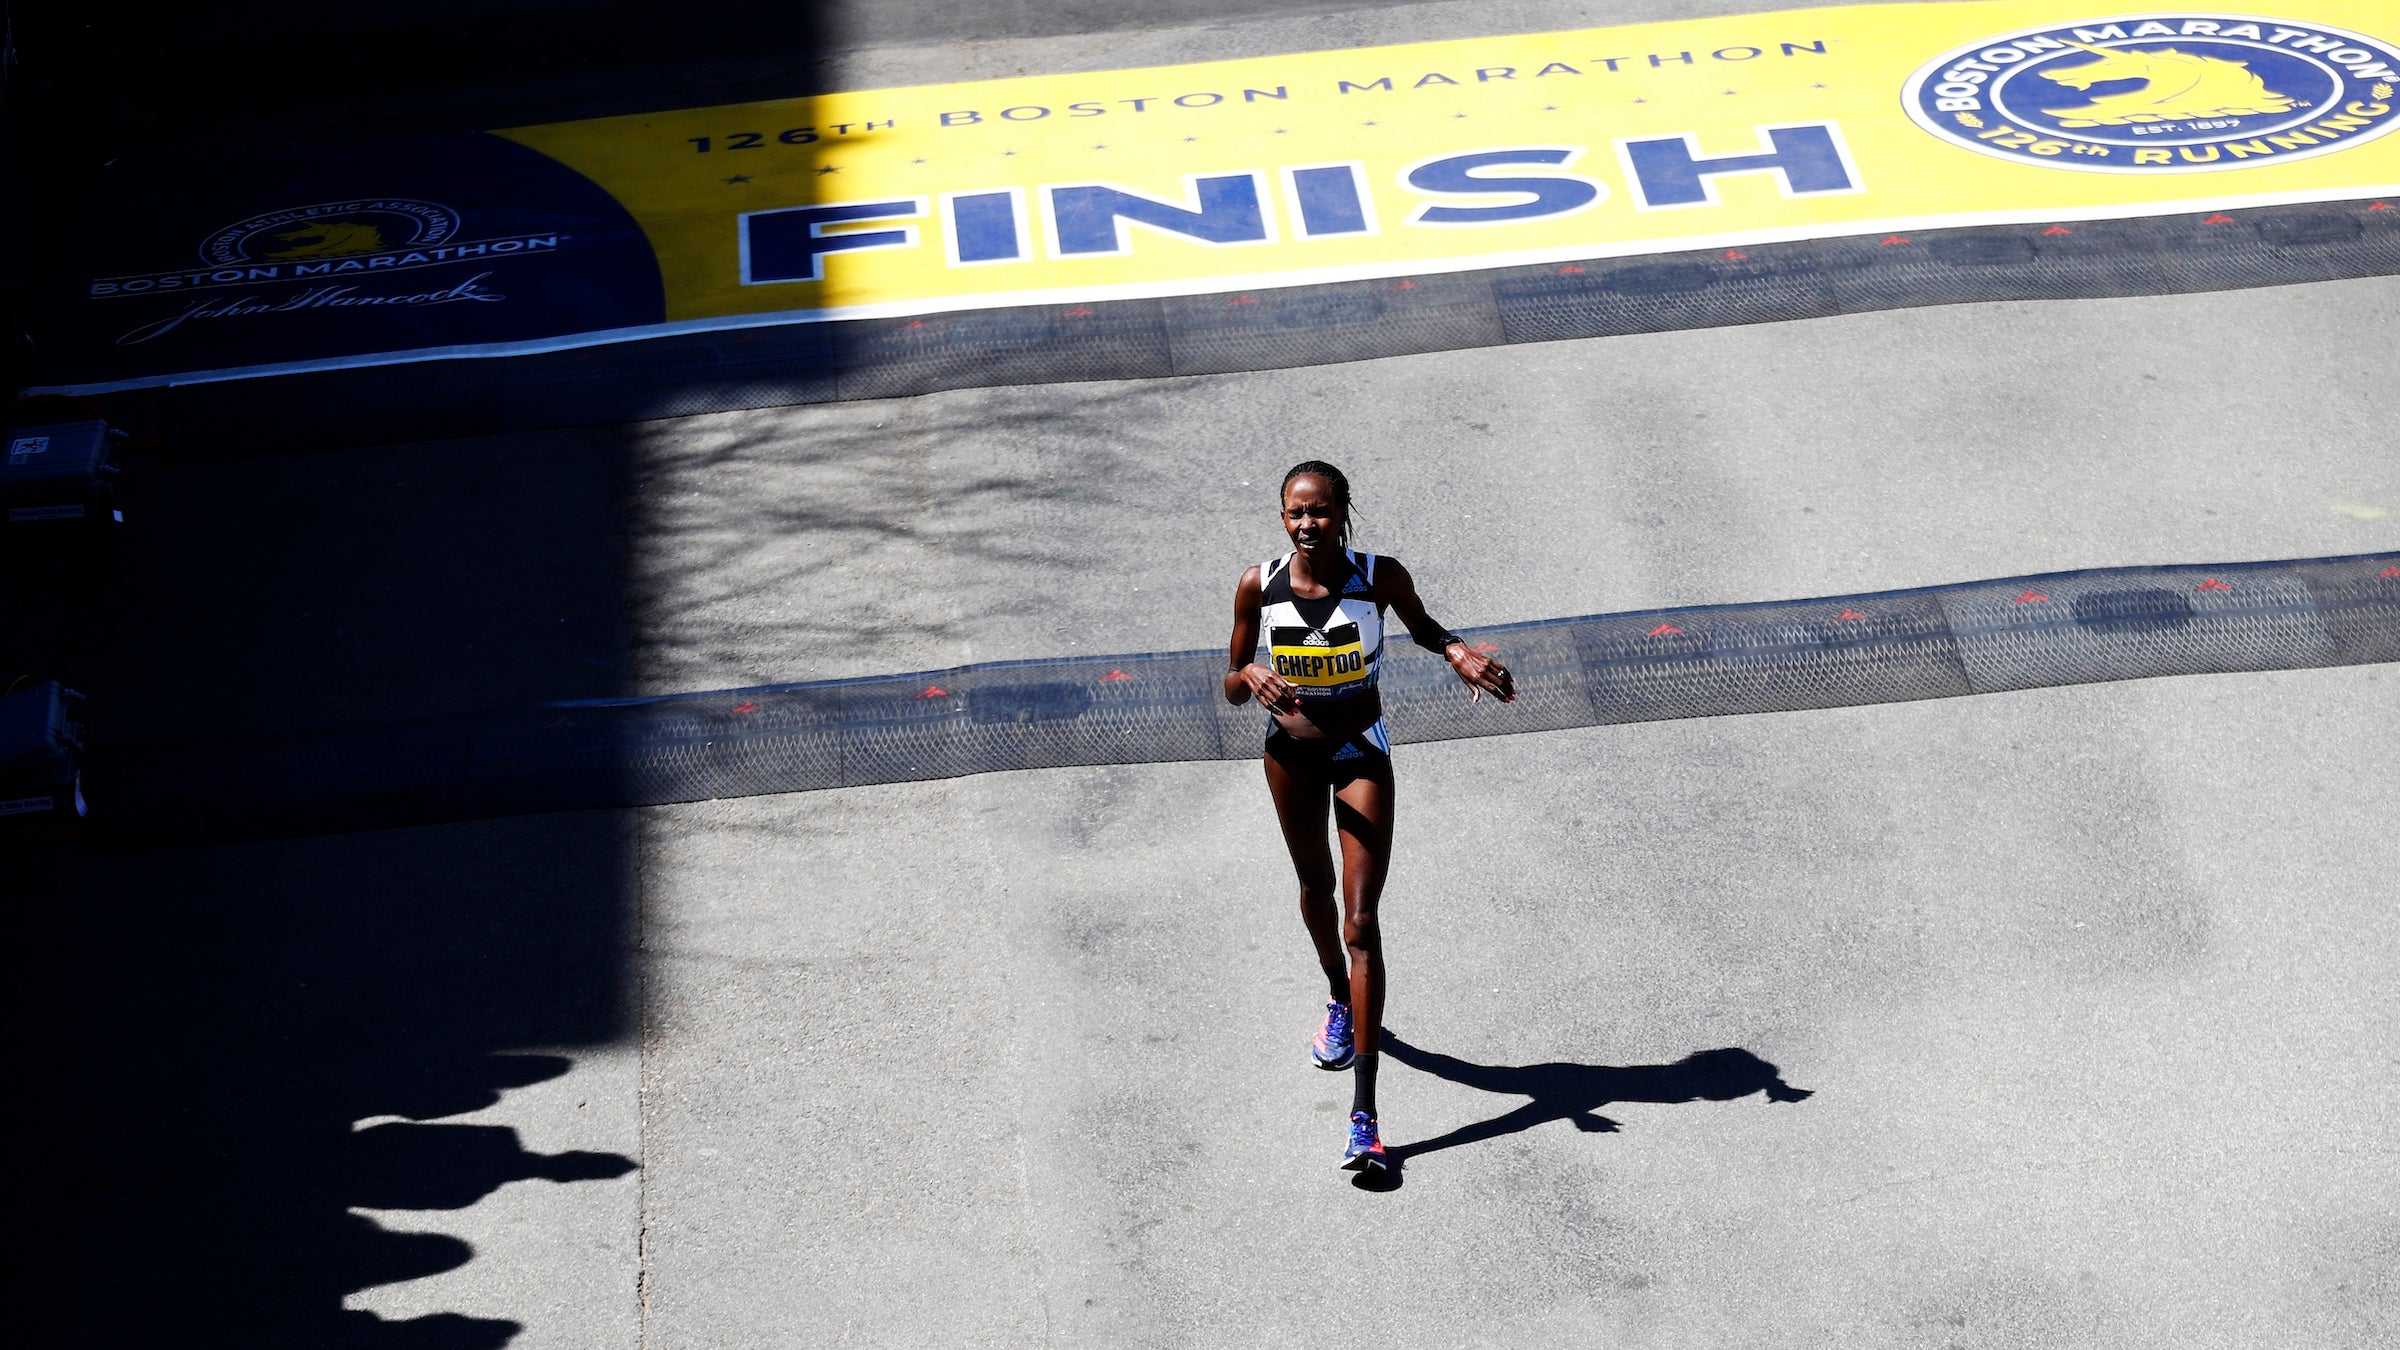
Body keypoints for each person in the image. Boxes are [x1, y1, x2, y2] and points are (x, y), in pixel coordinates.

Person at [1223, 460, 1516, 1173]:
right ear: (1282, 517)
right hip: (1290, 757)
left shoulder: (1378, 577)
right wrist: (1250, 674)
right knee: (1314, 886)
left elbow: (1424, 626)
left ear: (1343, 513)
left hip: (1361, 752)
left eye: (1319, 511)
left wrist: (1457, 653)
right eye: (1295, 513)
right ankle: (1337, 997)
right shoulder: (1258, 585)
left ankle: (1366, 1120)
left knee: (1361, 921)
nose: (1307, 524)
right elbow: (1230, 684)